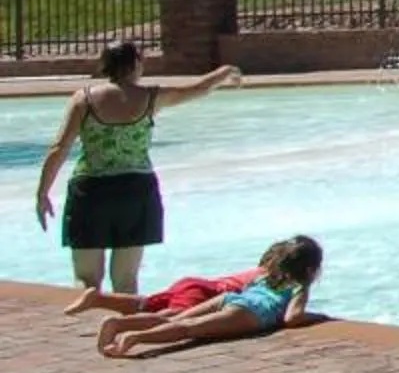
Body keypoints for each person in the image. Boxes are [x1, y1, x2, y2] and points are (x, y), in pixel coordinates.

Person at [33, 43, 243, 296]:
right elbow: (197, 88)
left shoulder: (84, 99)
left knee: (86, 280)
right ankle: (124, 332)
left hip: (90, 191)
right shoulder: (150, 98)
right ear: (135, 64)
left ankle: (83, 329)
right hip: (136, 191)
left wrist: (42, 193)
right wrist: (224, 72)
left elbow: (59, 148)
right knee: (126, 281)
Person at [95, 235, 321, 358]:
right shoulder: (299, 286)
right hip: (249, 312)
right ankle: (135, 338)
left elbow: (247, 290)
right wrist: (316, 318)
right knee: (189, 329)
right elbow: (292, 318)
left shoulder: (266, 276)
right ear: (310, 269)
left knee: (175, 319)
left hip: (229, 299)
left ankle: (119, 323)